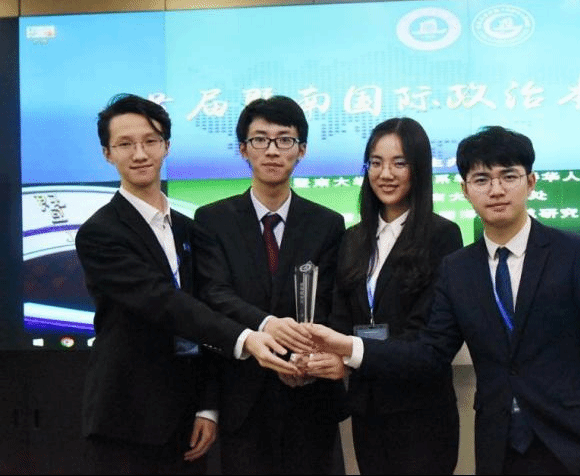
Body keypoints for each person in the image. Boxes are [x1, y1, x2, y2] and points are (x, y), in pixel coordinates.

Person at [307, 126, 580, 475]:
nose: (496, 190)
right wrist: (351, 349)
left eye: (508, 176)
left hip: (576, 447)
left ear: (531, 182)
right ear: (465, 190)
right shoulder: (459, 268)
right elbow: (431, 352)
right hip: (499, 447)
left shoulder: (577, 254)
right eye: (482, 179)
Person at [75, 93, 297, 475]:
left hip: (186, 420)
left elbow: (206, 307)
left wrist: (207, 407)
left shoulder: (188, 228)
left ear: (166, 146)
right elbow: (164, 302)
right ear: (107, 154)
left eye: (150, 141)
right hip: (127, 418)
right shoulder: (99, 233)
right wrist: (246, 338)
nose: (140, 154)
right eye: (125, 144)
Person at [192, 95, 348, 474]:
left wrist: (307, 360)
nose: (273, 150)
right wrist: (266, 326)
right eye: (260, 139)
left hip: (309, 396)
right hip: (242, 397)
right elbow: (213, 294)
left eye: (285, 139)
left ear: (301, 150)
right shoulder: (212, 220)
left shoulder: (327, 223)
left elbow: (331, 302)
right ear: (243, 149)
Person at [318, 117, 462, 474]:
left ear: (419, 169)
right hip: (367, 410)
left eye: (400, 163)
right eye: (376, 162)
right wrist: (327, 355)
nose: (386, 174)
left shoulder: (442, 236)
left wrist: (349, 350)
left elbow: (427, 336)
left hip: (421, 413)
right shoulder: (353, 238)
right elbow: (340, 315)